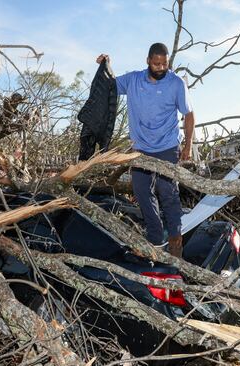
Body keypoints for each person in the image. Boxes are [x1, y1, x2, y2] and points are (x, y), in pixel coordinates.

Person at [96, 43, 195, 257]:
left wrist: (187, 145)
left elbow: (189, 115)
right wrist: (106, 65)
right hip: (140, 148)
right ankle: (155, 237)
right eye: (156, 63)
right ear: (148, 61)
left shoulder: (176, 83)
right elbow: (108, 85)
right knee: (142, 192)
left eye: (164, 64)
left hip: (167, 146)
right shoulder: (133, 80)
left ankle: (176, 240)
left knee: (167, 191)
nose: (161, 68)